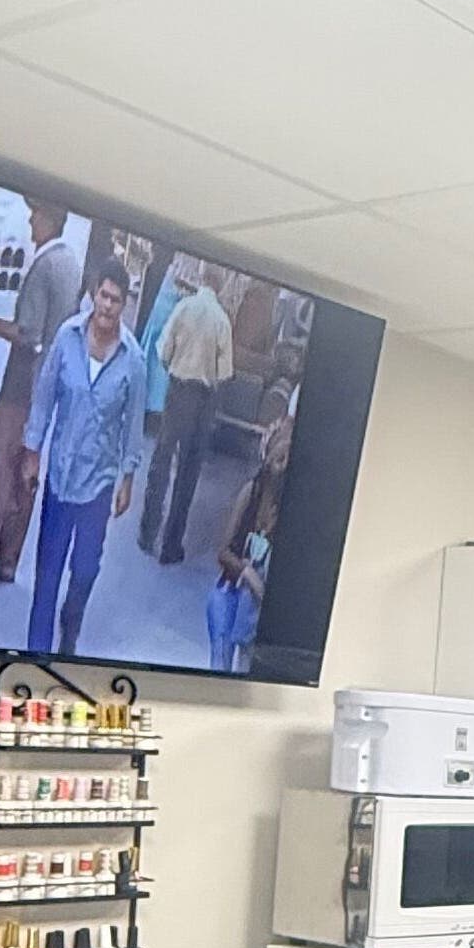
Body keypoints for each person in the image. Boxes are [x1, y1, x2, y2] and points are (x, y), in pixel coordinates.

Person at [0, 199, 78, 593]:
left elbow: (28, 334)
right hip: (47, 388)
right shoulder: (70, 263)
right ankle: (8, 560)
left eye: (36, 213)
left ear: (51, 218)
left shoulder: (43, 266)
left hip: (21, 386)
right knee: (26, 474)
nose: (30, 220)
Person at [21, 259, 144, 656]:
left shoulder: (133, 359)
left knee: (85, 570)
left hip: (98, 483)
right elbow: (44, 397)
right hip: (60, 475)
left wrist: (127, 478)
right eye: (103, 296)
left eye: (116, 300)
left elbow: (133, 424)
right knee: (47, 572)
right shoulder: (67, 336)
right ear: (94, 293)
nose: (107, 306)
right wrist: (32, 452)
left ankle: (70, 627)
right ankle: (37, 653)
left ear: (124, 305)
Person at [140, 262, 236, 565]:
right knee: (188, 471)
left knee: (161, 459)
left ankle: (147, 532)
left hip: (178, 391)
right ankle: (171, 545)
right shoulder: (222, 321)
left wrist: (176, 369)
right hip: (204, 399)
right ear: (221, 285)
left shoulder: (183, 308)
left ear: (202, 277)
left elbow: (163, 351)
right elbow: (225, 372)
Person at [206, 418, 287, 673]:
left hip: (258, 616)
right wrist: (248, 574)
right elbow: (223, 552)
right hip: (231, 594)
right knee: (220, 660)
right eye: (280, 455)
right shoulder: (250, 492)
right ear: (267, 454)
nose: (284, 462)